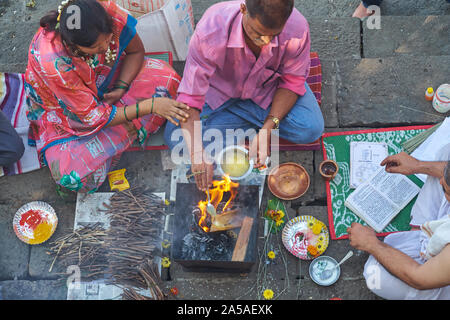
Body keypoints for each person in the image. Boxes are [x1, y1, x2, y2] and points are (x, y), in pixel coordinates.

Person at [25, 0, 189, 193]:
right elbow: (93, 117)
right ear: (73, 46)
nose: (105, 47)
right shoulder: (55, 63)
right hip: (67, 111)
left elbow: (136, 51)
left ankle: (118, 133)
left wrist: (121, 87)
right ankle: (127, 129)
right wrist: (150, 106)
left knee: (169, 78)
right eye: (96, 46)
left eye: (108, 38)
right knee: (72, 177)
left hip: (102, 78)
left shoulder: (105, 12)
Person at [164, 0, 324, 191]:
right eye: (257, 34)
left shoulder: (297, 28)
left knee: (311, 128)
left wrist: (268, 127)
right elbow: (191, 97)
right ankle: (244, 129)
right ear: (243, 10)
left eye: (273, 36)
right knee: (176, 137)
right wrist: (197, 154)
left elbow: (292, 81)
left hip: (267, 90)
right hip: (218, 92)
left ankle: (241, 133)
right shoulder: (211, 29)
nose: (265, 42)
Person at [347, 145, 450, 299]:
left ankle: (422, 247)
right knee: (446, 152)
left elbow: (420, 279)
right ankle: (423, 235)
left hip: (436, 276)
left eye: (447, 190)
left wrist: (371, 244)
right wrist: (417, 166)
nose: (441, 181)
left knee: (375, 275)